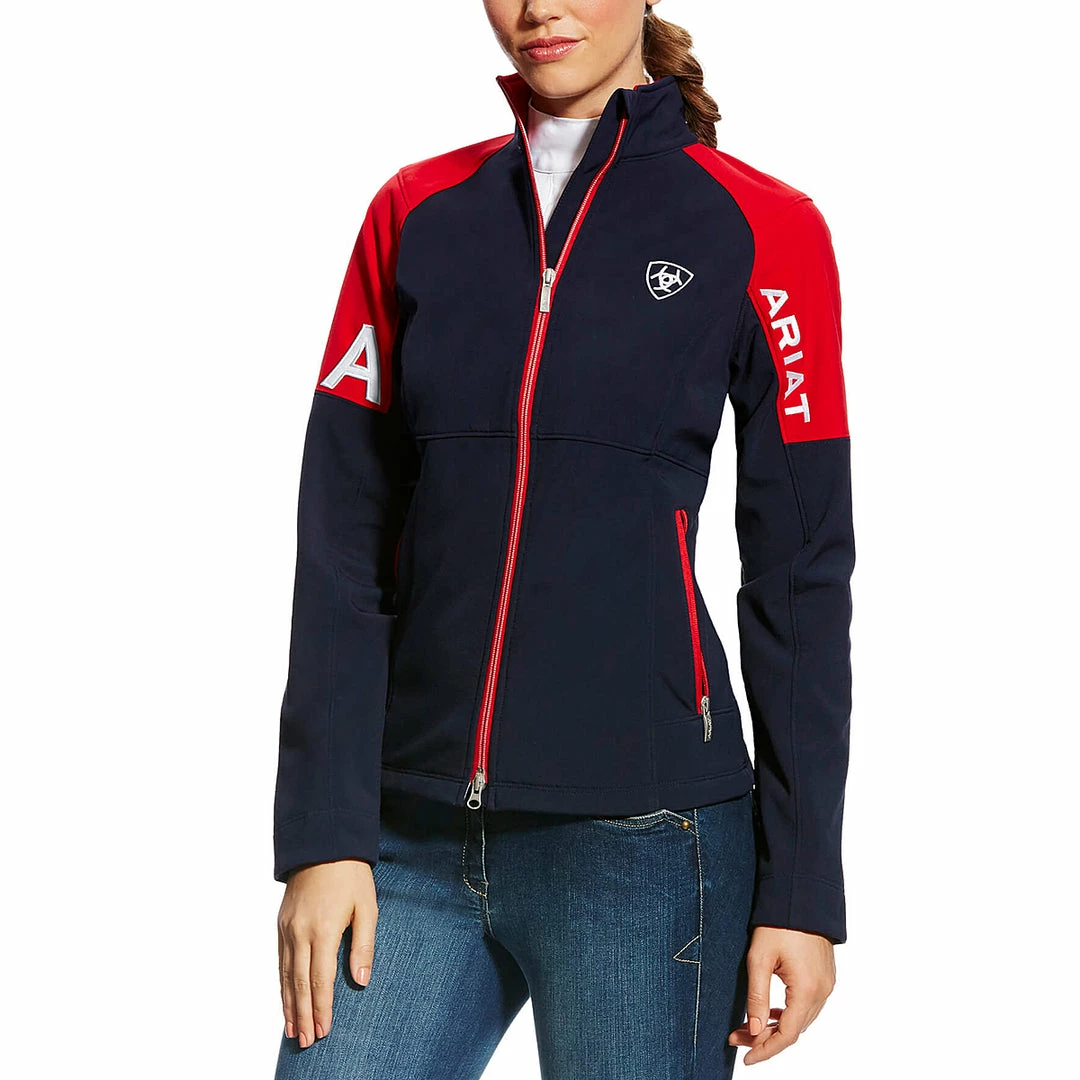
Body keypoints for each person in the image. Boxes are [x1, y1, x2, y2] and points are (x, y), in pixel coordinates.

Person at [272, 1, 855, 1076]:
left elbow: (801, 572)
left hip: (649, 844)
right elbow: (343, 538)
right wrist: (323, 833)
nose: (538, 6)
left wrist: (804, 887)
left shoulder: (765, 226)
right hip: (405, 836)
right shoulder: (416, 211)